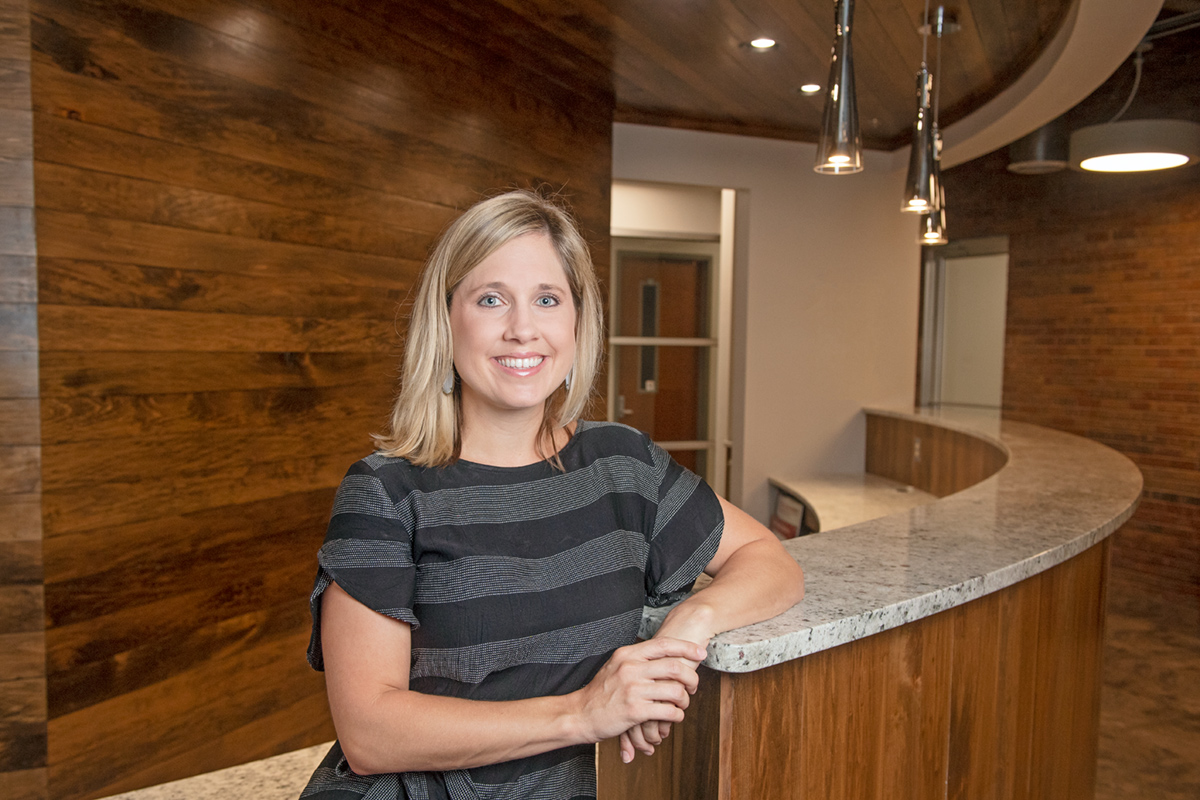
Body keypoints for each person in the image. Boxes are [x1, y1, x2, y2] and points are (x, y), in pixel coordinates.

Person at [300, 189, 805, 800]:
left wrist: (686, 628)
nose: (522, 329)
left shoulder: (621, 465)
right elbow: (370, 733)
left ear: (575, 322)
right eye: (491, 300)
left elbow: (771, 563)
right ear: (446, 319)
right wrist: (583, 713)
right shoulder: (386, 489)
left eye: (546, 299)